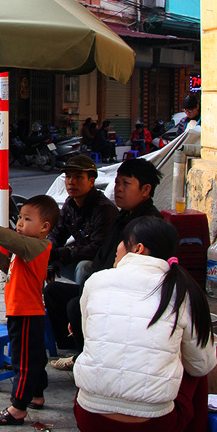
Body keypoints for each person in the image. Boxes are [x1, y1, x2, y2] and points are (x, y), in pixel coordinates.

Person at [73, 216, 215, 432]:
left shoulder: (96, 281)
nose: (117, 249)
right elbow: (202, 365)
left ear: (138, 248)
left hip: (91, 422)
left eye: (121, 244)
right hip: (153, 430)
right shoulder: (182, 289)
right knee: (196, 368)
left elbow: (88, 337)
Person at [45, 157, 163, 370]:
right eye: (117, 183)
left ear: (146, 190)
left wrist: (95, 290)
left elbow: (135, 275)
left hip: (124, 293)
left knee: (76, 303)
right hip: (103, 282)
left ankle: (90, 360)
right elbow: (99, 254)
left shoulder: (148, 225)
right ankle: (76, 349)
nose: (118, 189)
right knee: (54, 291)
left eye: (125, 184)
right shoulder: (123, 216)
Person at [0, 194, 60, 426]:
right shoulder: (28, 249)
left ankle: (17, 407)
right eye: (20, 218)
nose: (19, 223)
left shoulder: (37, 245)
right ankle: (36, 394)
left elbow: (8, 237)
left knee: (23, 361)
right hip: (24, 312)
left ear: (44, 227)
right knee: (33, 358)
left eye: (27, 219)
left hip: (26, 314)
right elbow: (16, 273)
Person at [48, 153, 119, 282]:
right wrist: (49, 253)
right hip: (78, 257)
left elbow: (97, 248)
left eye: (78, 177)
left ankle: (81, 301)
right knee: (41, 259)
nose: (71, 182)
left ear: (91, 182)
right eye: (68, 177)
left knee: (83, 267)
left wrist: (61, 253)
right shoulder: (70, 204)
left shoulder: (104, 209)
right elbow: (57, 233)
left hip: (102, 264)